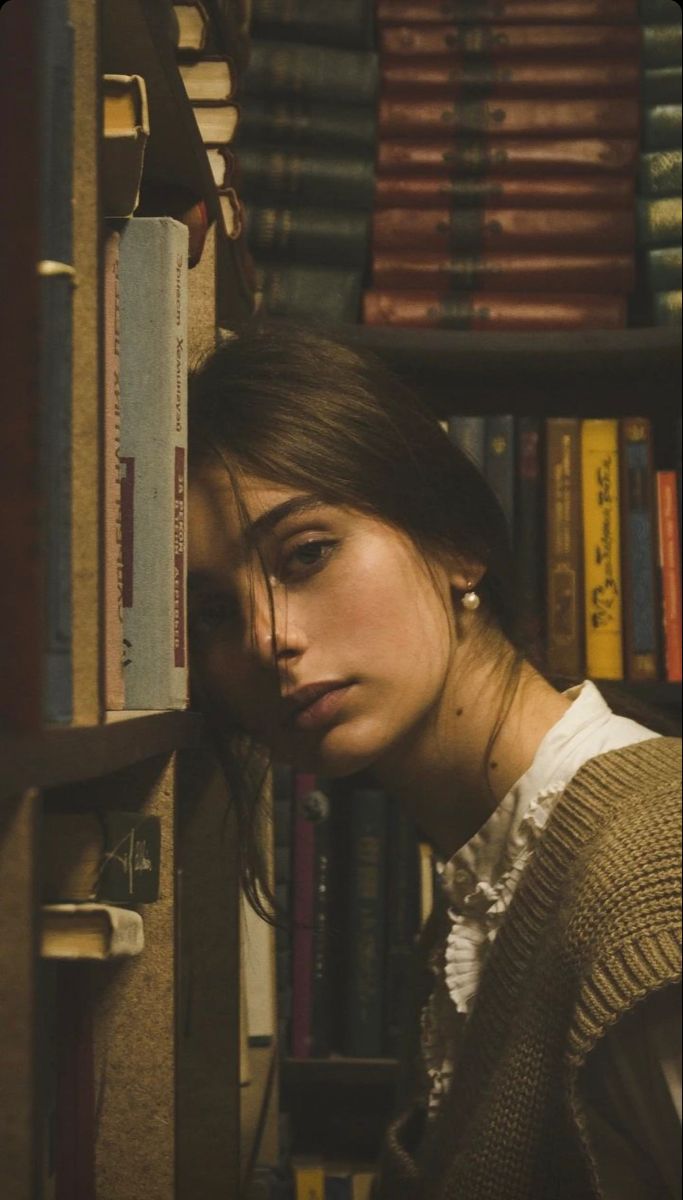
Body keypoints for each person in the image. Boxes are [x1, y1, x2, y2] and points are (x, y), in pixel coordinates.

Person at [187, 321, 681, 1200]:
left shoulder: (653, 869)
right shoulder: (482, 888)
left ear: (456, 541)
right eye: (215, 614)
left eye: (307, 554)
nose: (268, 638)